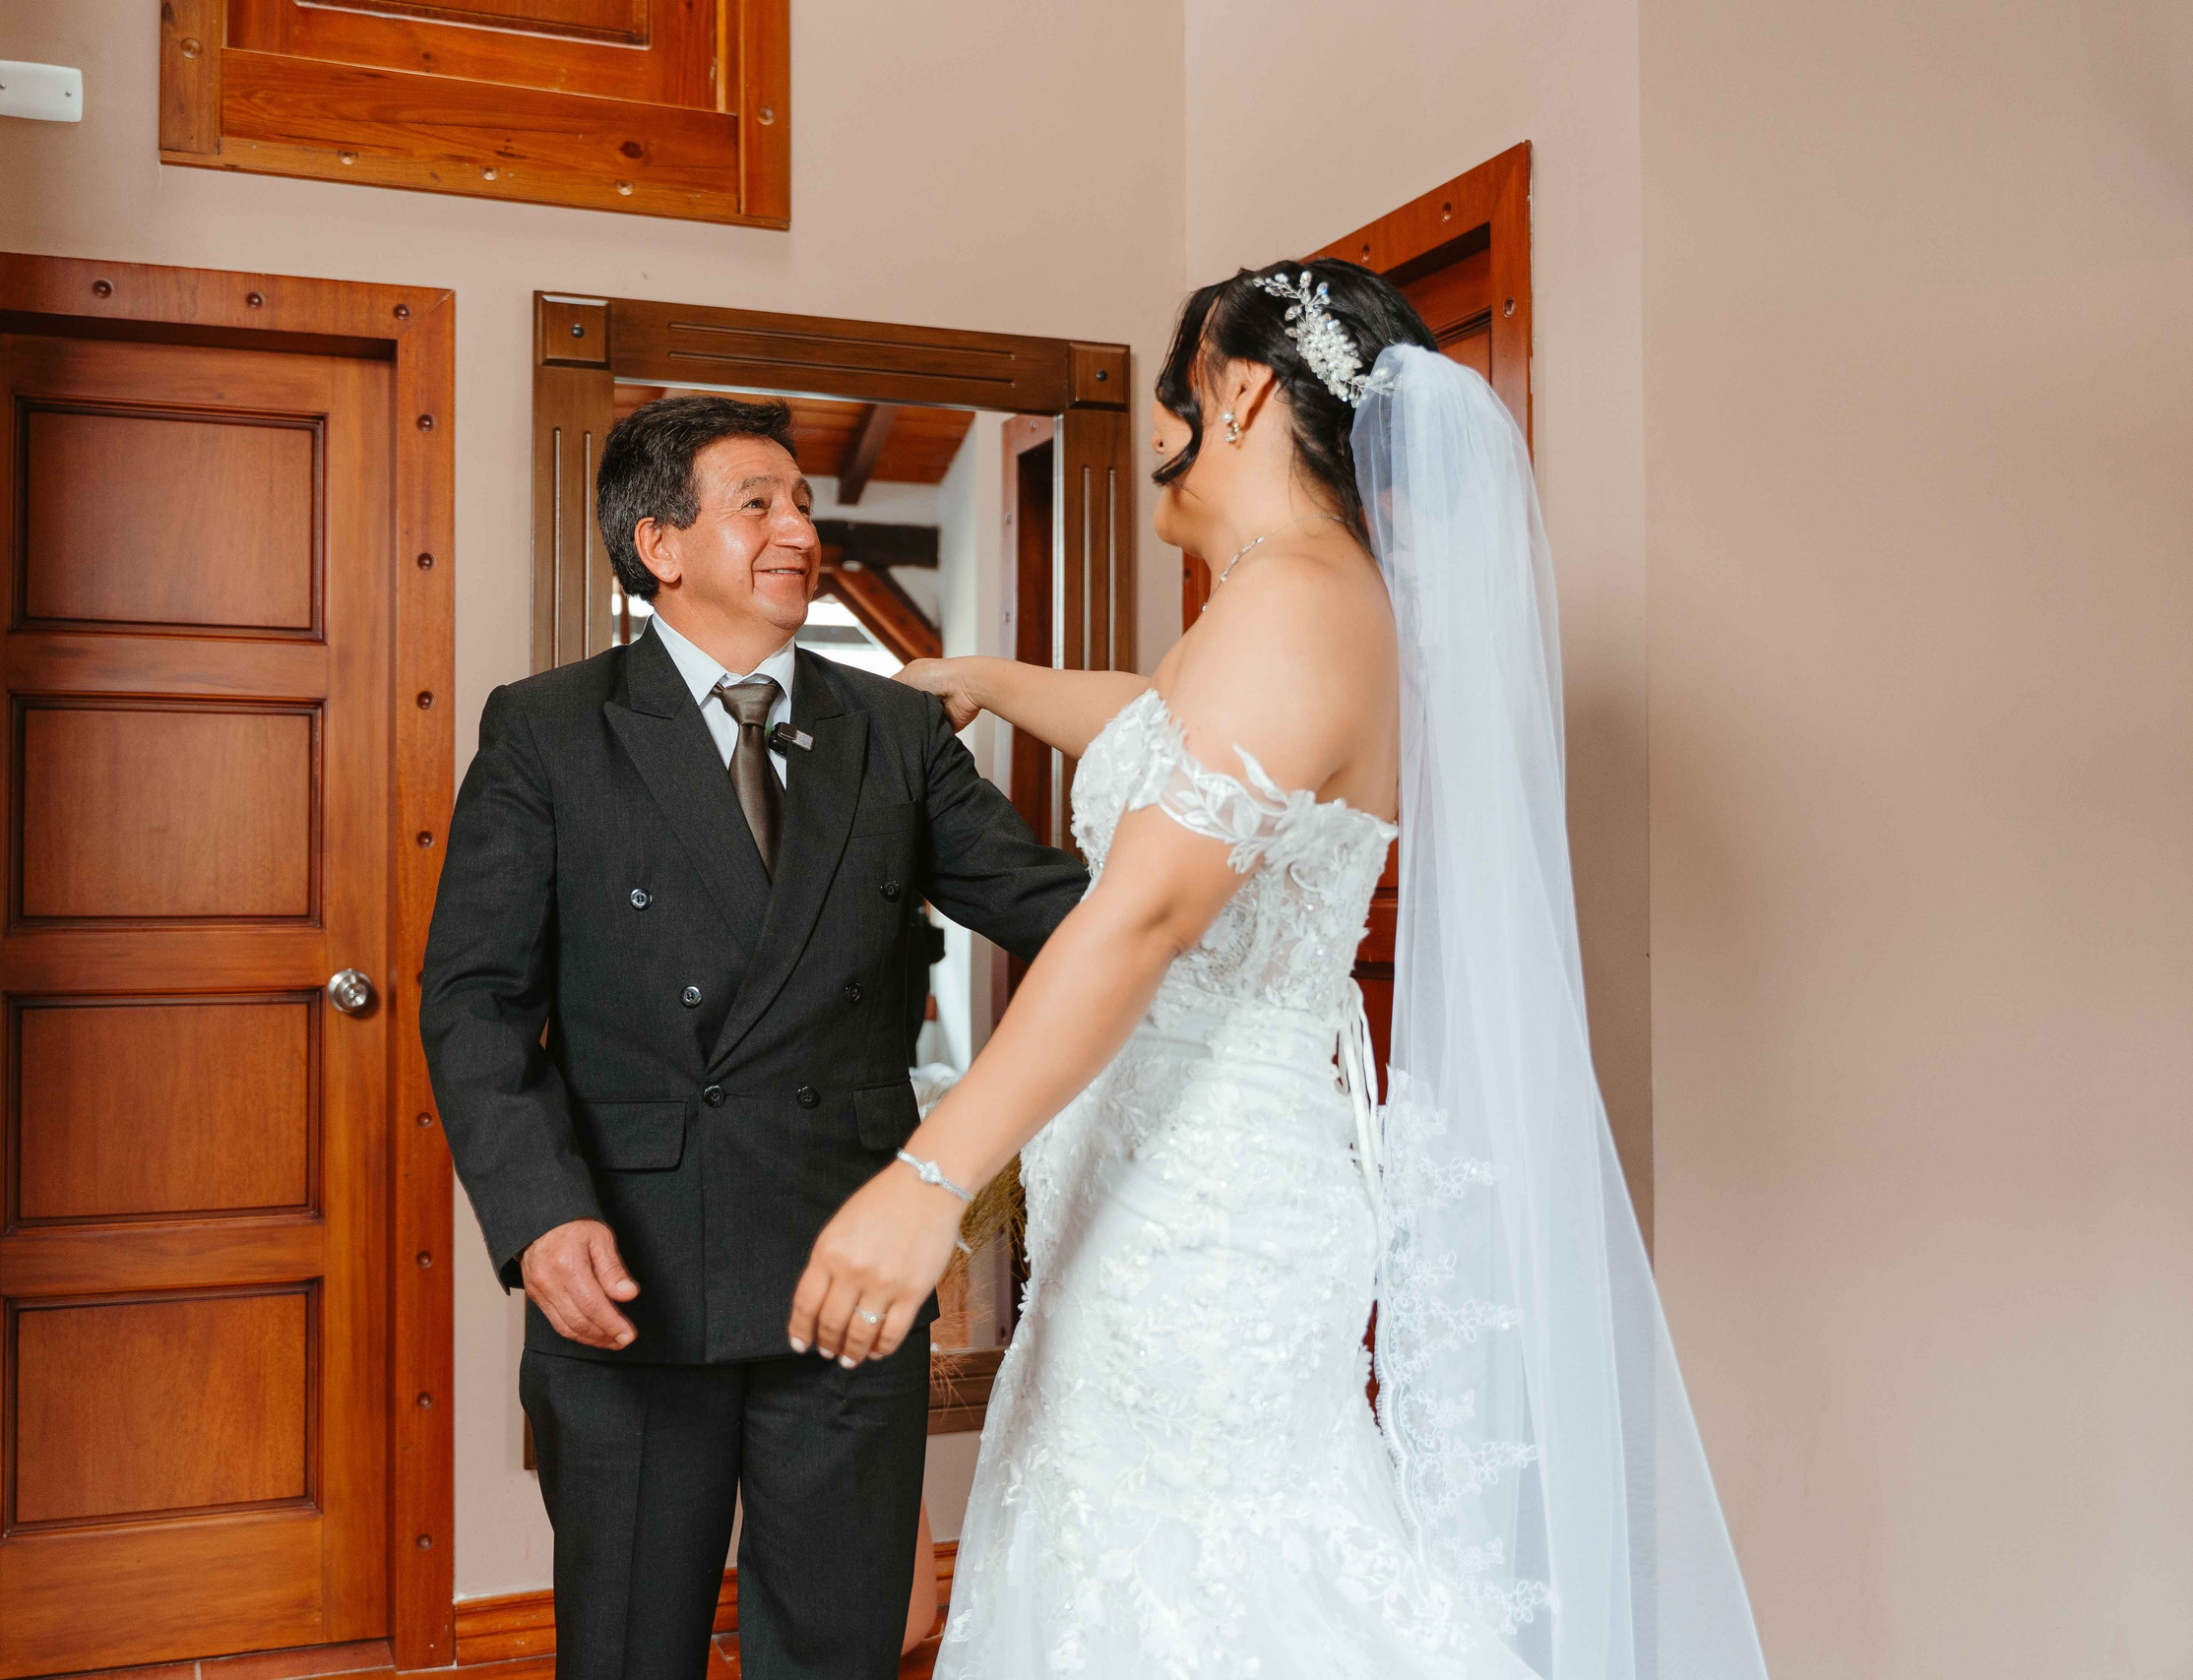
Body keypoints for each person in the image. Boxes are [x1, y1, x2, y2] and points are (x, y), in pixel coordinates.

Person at [787, 263, 1770, 1677]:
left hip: (1210, 1210)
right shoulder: (1282, 607)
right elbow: (1163, 732)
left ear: (1238, 390)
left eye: (1178, 386)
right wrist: (989, 679)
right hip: (1159, 1182)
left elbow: (1135, 921)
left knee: (1202, 1578)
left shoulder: (1295, 605)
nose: (1164, 422)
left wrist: (926, 1181)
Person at [420, 394, 1088, 1680]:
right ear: (660, 543)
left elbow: (1061, 916)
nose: (800, 529)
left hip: (848, 1268)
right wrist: (538, 1215)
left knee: (836, 1648)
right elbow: (476, 1000)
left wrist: (1226, 843)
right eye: (759, 503)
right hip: (624, 1273)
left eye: (803, 504)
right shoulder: (549, 729)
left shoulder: (893, 734)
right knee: (626, 1648)